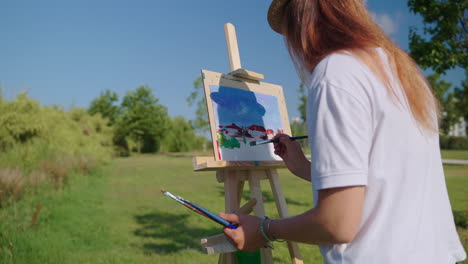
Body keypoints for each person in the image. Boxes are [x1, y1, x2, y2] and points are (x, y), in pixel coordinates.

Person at [219, 0, 467, 263]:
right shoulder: (400, 70)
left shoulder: (336, 73)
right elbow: (384, 181)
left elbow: (337, 223)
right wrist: (304, 167)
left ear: (301, 21)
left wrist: (264, 229)